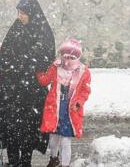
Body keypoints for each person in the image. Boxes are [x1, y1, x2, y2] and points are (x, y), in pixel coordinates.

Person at [0, 0, 56, 167]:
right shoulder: (15, 29)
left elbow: (46, 58)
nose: (19, 16)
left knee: (28, 130)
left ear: (32, 13)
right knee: (11, 128)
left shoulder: (43, 32)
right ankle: (13, 161)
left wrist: (26, 62)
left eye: (23, 13)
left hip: (31, 92)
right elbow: (4, 57)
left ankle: (25, 162)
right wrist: (10, 72)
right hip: (11, 91)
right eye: (18, 12)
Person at [37, 38, 91, 167]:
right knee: (53, 137)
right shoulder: (55, 67)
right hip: (54, 107)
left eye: (72, 57)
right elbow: (44, 81)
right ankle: (54, 158)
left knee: (65, 140)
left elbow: (85, 90)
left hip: (70, 110)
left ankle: (65, 164)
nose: (67, 60)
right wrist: (38, 71)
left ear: (77, 56)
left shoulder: (83, 72)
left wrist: (79, 102)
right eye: (65, 56)